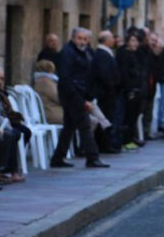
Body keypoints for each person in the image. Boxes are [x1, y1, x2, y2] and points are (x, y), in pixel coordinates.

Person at [50, 28, 108, 168]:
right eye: (79, 38)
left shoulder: (87, 52)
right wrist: (81, 100)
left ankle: (58, 158)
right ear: (73, 38)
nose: (82, 41)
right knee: (85, 126)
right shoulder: (67, 53)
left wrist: (89, 95)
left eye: (85, 39)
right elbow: (66, 78)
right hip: (72, 95)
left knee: (69, 128)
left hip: (81, 93)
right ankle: (92, 157)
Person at [90, 31, 121, 153]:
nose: (114, 40)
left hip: (109, 93)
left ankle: (106, 143)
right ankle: (104, 145)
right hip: (105, 93)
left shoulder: (106, 53)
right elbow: (104, 75)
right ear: (106, 40)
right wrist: (112, 85)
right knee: (105, 118)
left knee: (108, 118)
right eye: (112, 37)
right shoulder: (102, 54)